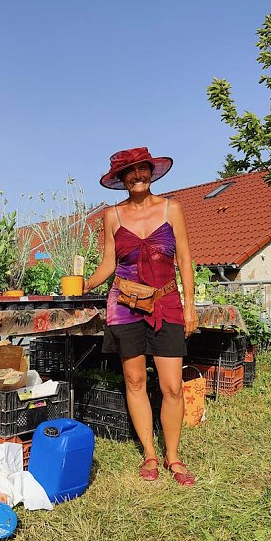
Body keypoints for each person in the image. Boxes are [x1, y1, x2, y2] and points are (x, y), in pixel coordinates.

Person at [83, 146, 198, 486]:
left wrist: (190, 305)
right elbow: (109, 263)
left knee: (172, 386)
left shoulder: (171, 208)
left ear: (151, 172)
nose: (137, 176)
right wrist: (83, 284)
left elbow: (185, 259)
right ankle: (150, 452)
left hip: (166, 304)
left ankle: (173, 456)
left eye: (142, 170)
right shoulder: (112, 216)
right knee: (134, 382)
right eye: (129, 172)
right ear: (121, 179)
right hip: (125, 306)